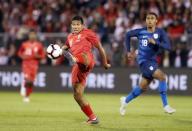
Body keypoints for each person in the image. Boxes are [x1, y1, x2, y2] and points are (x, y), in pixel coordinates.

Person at [120, 12, 176, 116]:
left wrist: (156, 43)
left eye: (152, 18)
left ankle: (125, 101)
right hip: (143, 61)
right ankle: (166, 106)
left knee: (142, 87)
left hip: (153, 61)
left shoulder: (160, 32)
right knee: (162, 77)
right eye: (148, 18)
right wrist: (128, 51)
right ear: (146, 21)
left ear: (156, 21)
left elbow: (168, 47)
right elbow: (128, 35)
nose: (149, 20)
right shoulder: (141, 31)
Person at [60, 16, 111, 124]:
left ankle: (74, 58)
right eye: (74, 24)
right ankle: (93, 118)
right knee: (77, 94)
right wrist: (59, 50)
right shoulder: (70, 37)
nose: (76, 26)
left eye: (78, 24)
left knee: (83, 56)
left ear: (82, 25)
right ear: (71, 26)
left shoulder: (88, 33)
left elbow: (100, 48)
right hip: (78, 66)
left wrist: (105, 63)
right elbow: (65, 46)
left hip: (87, 60)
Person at [18, 30, 45, 103]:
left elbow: (42, 56)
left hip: (34, 64)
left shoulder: (39, 45)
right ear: (29, 36)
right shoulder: (24, 44)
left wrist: (38, 56)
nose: (32, 36)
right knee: (28, 79)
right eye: (31, 34)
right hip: (26, 64)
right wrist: (22, 56)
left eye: (33, 34)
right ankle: (25, 93)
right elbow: (19, 53)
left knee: (31, 82)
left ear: (35, 36)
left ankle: (27, 94)